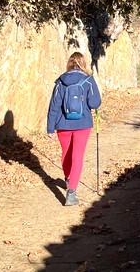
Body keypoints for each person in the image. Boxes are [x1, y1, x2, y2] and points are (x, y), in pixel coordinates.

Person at [47, 52, 101, 206]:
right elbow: (95, 103)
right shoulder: (88, 81)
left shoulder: (60, 82)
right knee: (77, 156)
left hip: (62, 125)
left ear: (69, 63)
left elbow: (54, 106)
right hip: (82, 124)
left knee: (66, 154)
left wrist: (50, 128)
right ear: (83, 63)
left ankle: (68, 178)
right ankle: (71, 193)